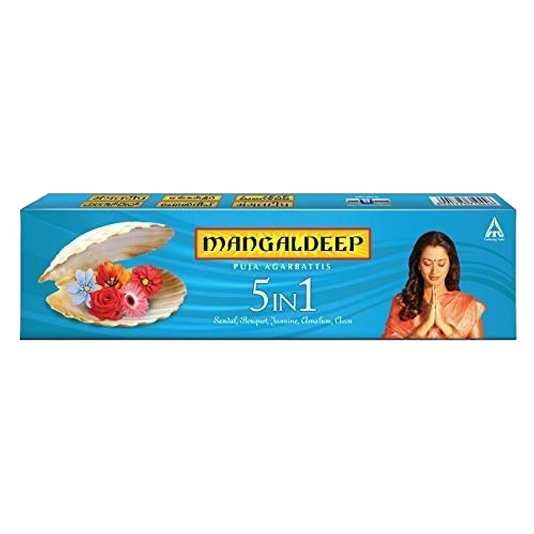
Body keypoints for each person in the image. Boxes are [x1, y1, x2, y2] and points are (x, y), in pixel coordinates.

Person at [383, 231, 485, 339]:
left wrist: (445, 327)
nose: (434, 271)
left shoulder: (468, 306)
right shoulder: (402, 304)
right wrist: (425, 326)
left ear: (450, 264)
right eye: (427, 263)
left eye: (441, 264)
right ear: (418, 264)